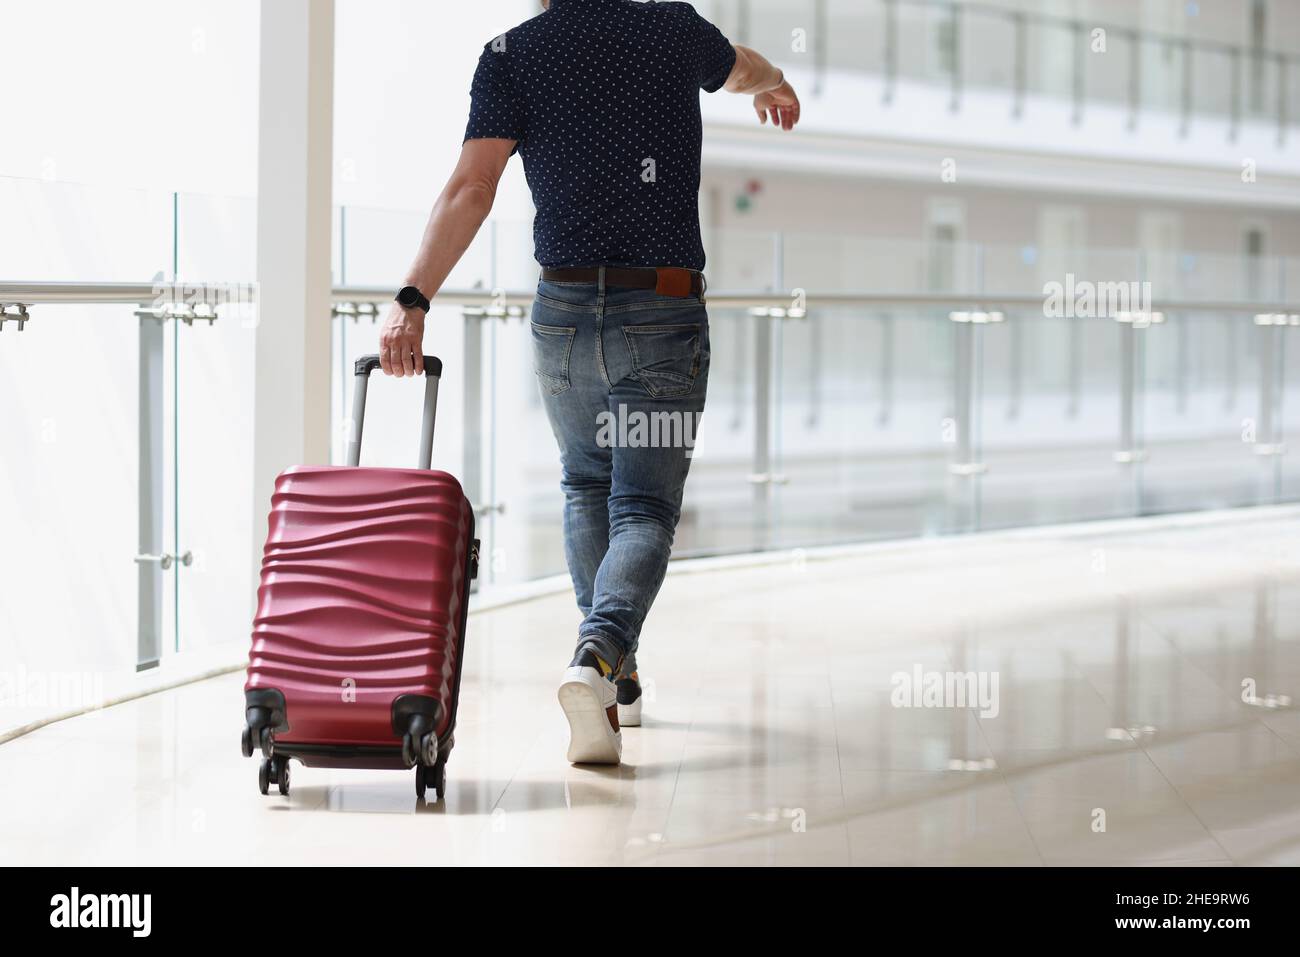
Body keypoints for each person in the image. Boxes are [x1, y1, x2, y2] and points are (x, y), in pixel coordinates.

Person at [379, 0, 800, 765]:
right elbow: (742, 67)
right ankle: (599, 654)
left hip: (564, 313)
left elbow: (473, 186)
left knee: (586, 484)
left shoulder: (511, 52)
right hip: (662, 311)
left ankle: (617, 680)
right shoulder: (674, 29)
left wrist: (413, 299)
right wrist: (776, 83)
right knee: (642, 506)